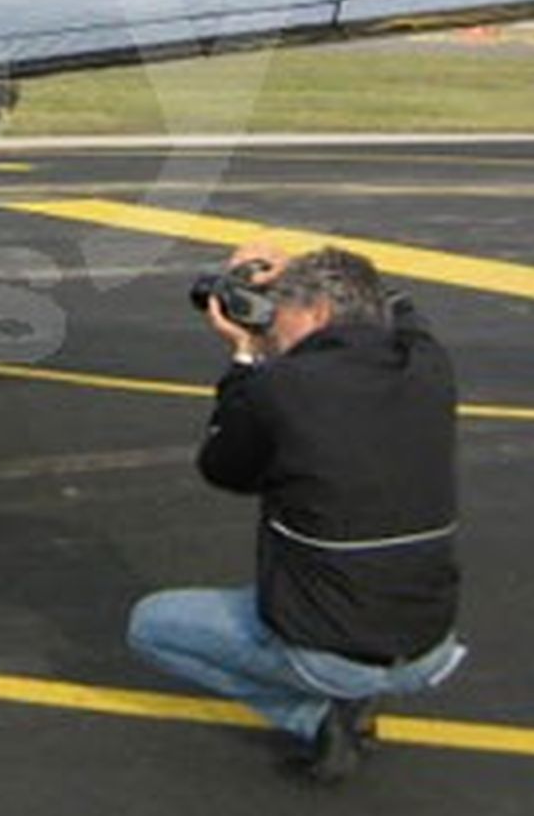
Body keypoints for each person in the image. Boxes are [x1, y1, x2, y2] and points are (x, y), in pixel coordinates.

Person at [127, 244, 465, 784]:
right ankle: (354, 695)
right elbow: (402, 308)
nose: (271, 320)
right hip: (429, 644)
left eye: (280, 306)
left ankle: (315, 715)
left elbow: (224, 468)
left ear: (317, 314)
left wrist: (243, 358)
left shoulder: (280, 389)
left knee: (150, 625)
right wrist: (307, 269)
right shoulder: (428, 366)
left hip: (332, 647)